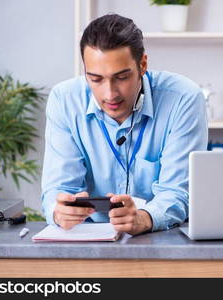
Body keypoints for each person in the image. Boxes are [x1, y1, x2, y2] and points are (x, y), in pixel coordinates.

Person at [41, 13, 208, 236]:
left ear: (143, 64)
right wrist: (59, 211)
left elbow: (177, 191)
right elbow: (60, 188)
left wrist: (145, 218)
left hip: (160, 236)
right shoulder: (64, 100)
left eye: (121, 77)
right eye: (96, 79)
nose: (110, 94)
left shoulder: (183, 98)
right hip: (87, 238)